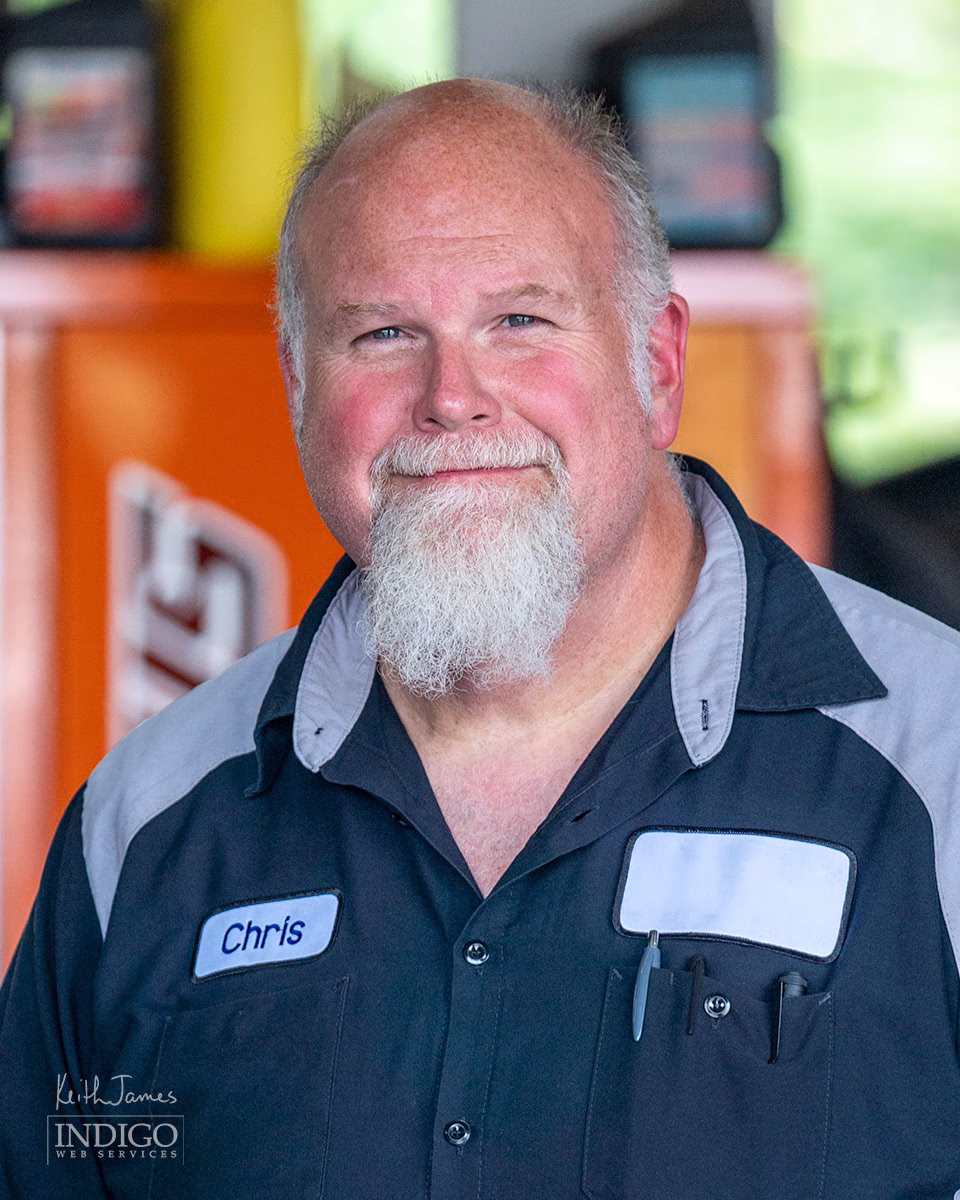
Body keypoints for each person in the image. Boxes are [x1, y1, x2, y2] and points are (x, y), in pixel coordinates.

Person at [1, 78, 959, 1200]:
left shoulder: (935, 769)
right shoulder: (146, 830)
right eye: (383, 331)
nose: (452, 398)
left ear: (657, 365)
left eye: (520, 321)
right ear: (300, 386)